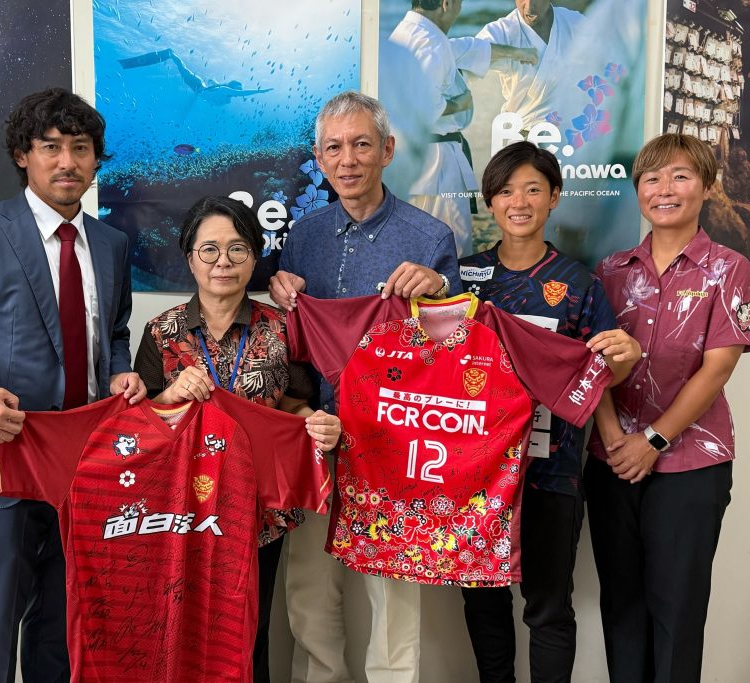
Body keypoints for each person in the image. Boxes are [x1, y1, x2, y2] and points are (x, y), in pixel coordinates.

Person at [0, 87, 145, 683]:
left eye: (81, 148)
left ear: (96, 159)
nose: (67, 162)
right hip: (6, 453)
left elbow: (113, 331)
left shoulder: (111, 243)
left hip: (86, 460)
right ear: (23, 155)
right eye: (51, 147)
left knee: (63, 622)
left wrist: (119, 370)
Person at [269, 90, 460, 683]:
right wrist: (280, 292)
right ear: (319, 159)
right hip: (314, 436)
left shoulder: (430, 238)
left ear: (388, 150)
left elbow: (458, 351)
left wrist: (439, 292)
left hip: (395, 443)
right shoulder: (303, 237)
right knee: (308, 587)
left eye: (360, 145)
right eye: (333, 148)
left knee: (394, 590)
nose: (347, 160)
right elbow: (291, 343)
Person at [135, 195, 342, 682]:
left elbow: (294, 404)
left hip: (257, 508)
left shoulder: (281, 329)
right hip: (179, 507)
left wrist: (318, 423)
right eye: (209, 249)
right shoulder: (162, 331)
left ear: (254, 257)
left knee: (250, 627)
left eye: (237, 249)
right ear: (190, 258)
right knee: (177, 622)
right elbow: (138, 425)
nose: (222, 262)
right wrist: (168, 395)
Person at [456, 141, 639, 683]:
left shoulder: (580, 284)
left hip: (551, 473)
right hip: (474, 474)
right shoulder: (462, 279)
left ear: (555, 197)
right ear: (490, 201)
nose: (519, 202)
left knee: (548, 607)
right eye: (506, 191)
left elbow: (602, 375)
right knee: (482, 601)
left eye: (533, 189)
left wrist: (624, 359)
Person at [586, 133, 750, 682]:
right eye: (652, 178)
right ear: (638, 191)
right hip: (613, 462)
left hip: (691, 464)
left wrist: (652, 440)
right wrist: (615, 440)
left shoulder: (729, 268)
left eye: (680, 176)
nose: (665, 189)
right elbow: (591, 365)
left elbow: (718, 367)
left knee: (676, 610)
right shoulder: (610, 270)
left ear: (706, 186)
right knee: (622, 607)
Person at [388, 0, 535, 255]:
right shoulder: (431, 42)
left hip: (408, 156)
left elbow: (467, 49)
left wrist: (519, 53)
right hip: (437, 160)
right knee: (454, 241)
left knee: (415, 243)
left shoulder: (404, 34)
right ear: (446, 3)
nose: (459, 10)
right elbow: (425, 106)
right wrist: (461, 103)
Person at [451, 0, 585, 132]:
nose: (529, 6)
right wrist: (513, 52)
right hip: (524, 132)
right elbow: (452, 55)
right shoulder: (503, 31)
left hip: (571, 131)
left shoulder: (574, 23)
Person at [119, 48, 273, 105]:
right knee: (182, 68)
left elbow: (214, 87)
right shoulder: (227, 91)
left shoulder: (225, 95)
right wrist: (260, 91)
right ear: (234, 87)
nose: (238, 92)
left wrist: (212, 83)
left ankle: (171, 55)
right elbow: (243, 93)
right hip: (197, 85)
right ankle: (170, 53)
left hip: (197, 88)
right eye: (238, 89)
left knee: (182, 69)